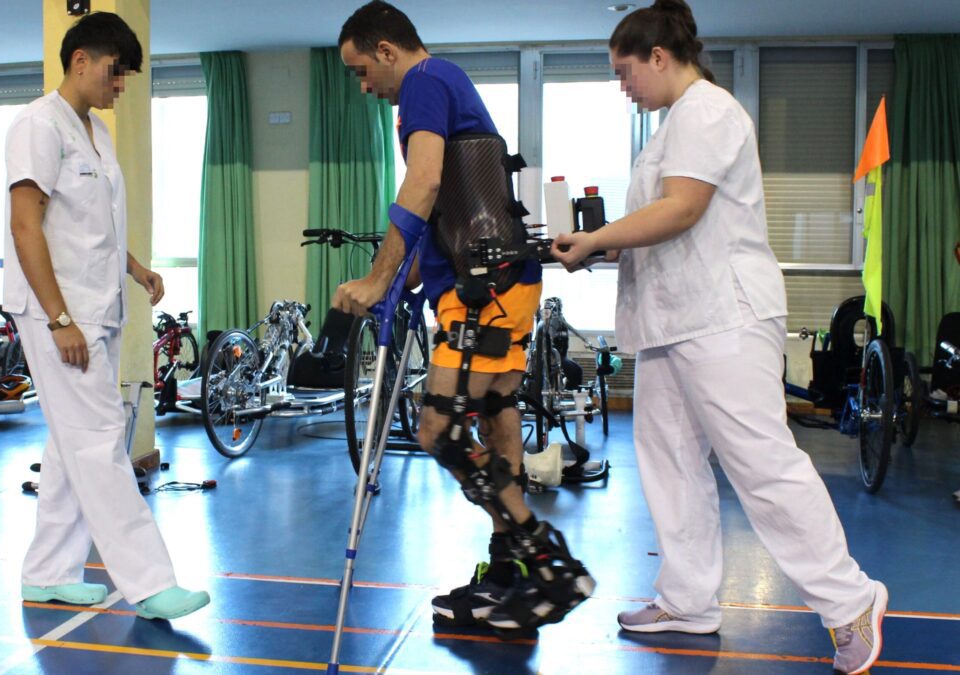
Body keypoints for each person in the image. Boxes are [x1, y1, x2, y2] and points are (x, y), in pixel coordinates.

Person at [550, 1, 886, 672]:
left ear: (658, 57)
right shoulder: (671, 127)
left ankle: (851, 600)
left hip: (724, 317)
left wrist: (597, 238)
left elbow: (683, 209)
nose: (624, 88)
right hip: (674, 321)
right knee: (669, 460)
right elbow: (664, 222)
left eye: (625, 72)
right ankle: (688, 599)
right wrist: (599, 247)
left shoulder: (707, 111)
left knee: (760, 461)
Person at [334, 1, 593, 636]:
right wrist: (404, 279)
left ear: (388, 50)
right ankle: (509, 570)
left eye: (363, 70)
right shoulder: (443, 83)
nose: (364, 86)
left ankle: (551, 566)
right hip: (489, 280)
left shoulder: (422, 83)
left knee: (440, 431)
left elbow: (421, 186)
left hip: (487, 288)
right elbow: (450, 199)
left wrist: (376, 277)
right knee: (497, 418)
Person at [4, 11, 209, 621]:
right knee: (98, 445)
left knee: (73, 447)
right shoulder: (38, 126)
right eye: (116, 74)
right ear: (81, 61)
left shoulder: (94, 131)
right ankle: (150, 582)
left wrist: (138, 270)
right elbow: (25, 224)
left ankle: (47, 573)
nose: (120, 87)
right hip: (58, 316)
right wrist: (59, 317)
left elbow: (91, 228)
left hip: (95, 308)